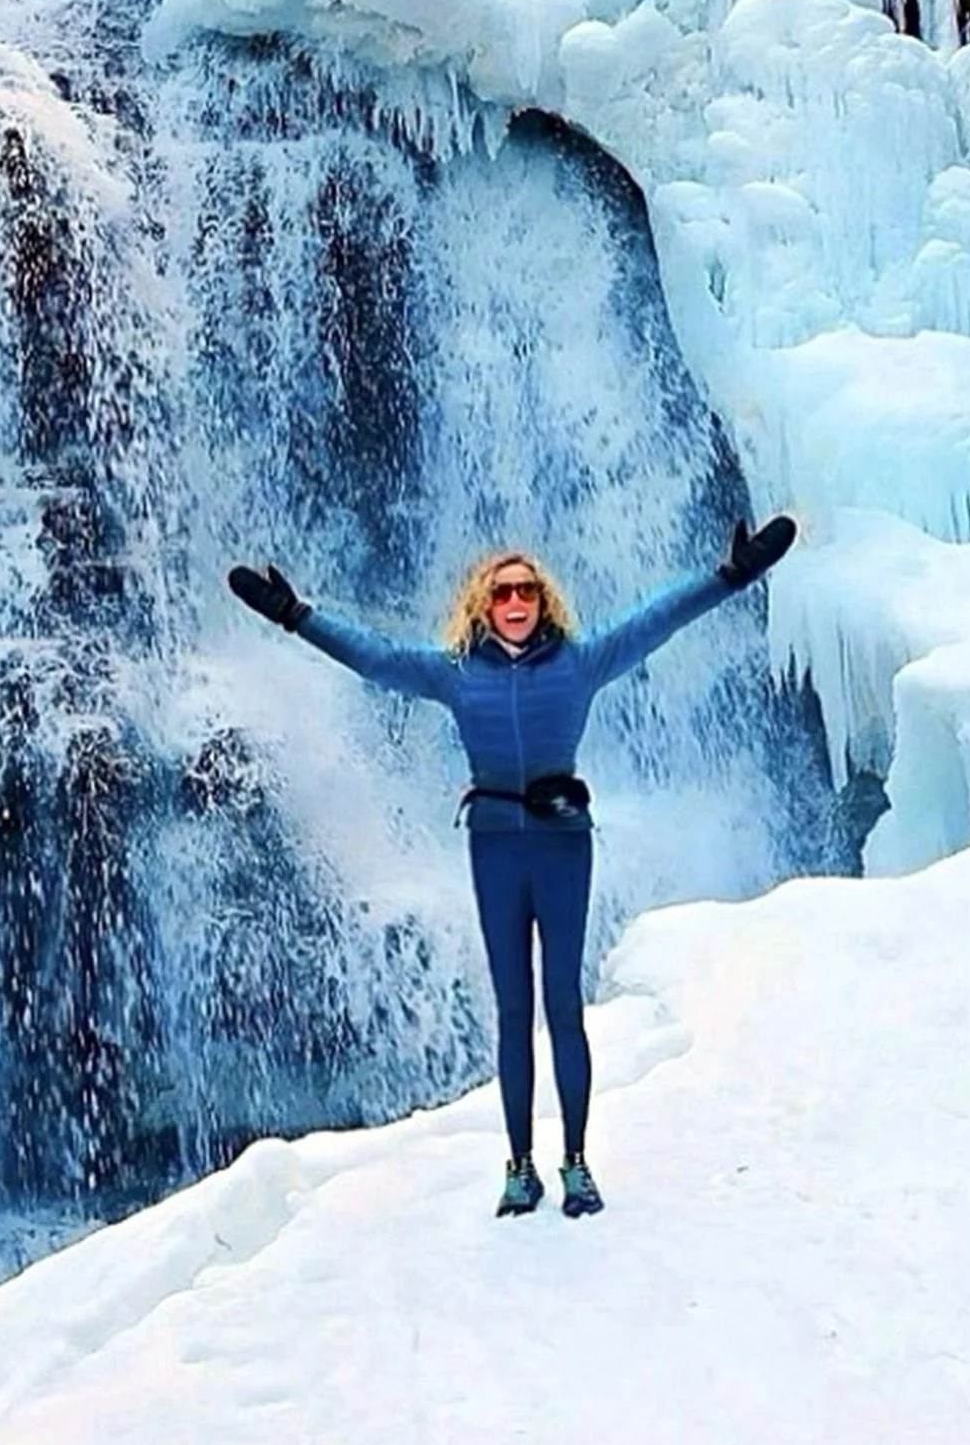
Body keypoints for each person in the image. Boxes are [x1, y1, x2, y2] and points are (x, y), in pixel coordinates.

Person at [226, 515, 798, 1218]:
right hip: (496, 847)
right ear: (483, 604)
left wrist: (730, 576)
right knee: (512, 1009)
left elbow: (660, 619)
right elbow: (374, 658)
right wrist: (296, 616)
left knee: (563, 1004)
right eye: (502, 594)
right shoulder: (456, 675)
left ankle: (578, 1165)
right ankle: (519, 1166)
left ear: (544, 598)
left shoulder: (580, 663)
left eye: (527, 589)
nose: (516, 601)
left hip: (562, 844)